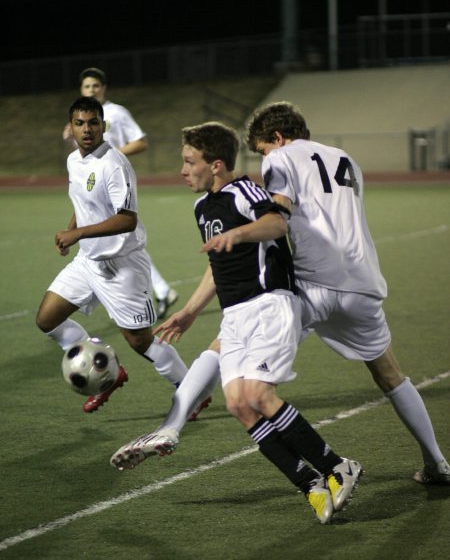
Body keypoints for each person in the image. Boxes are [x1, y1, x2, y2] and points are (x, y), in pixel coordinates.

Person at [113, 102, 450, 488]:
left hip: (312, 282)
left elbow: (278, 215)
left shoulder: (281, 159)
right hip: (363, 283)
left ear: (276, 137)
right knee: (390, 374)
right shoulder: (345, 159)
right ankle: (436, 462)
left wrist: (240, 233)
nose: (263, 159)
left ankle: (171, 425)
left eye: (262, 150)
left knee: (228, 342)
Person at [110, 121, 364, 525]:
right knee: (238, 405)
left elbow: (277, 224)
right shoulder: (202, 208)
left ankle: (338, 467)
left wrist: (241, 233)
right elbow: (217, 267)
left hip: (269, 305)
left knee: (261, 396)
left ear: (215, 164)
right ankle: (311, 487)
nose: (182, 170)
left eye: (189, 161)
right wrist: (190, 311)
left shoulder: (244, 191)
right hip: (235, 316)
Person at [37, 96, 188, 413]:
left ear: (103, 126)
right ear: (71, 127)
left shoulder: (114, 163)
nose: (87, 129)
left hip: (122, 265)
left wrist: (76, 234)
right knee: (48, 319)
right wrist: (70, 233)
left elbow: (126, 218)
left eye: (93, 122)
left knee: (140, 341)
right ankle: (107, 369)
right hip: (88, 261)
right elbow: (84, 205)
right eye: (80, 123)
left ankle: (191, 391)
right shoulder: (73, 162)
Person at [63, 67, 178, 320]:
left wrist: (111, 156)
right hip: (94, 183)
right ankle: (162, 290)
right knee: (123, 240)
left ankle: (155, 291)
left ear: (104, 88)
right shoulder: (82, 117)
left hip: (114, 182)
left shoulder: (116, 113)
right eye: (87, 87)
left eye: (96, 86)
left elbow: (142, 141)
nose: (92, 90)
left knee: (125, 236)